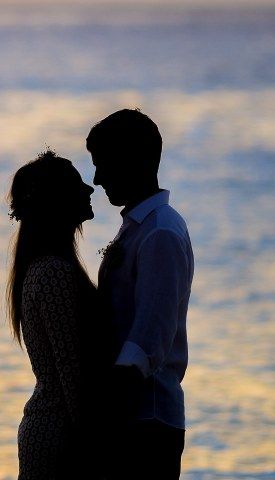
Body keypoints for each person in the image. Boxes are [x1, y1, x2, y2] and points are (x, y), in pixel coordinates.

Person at [87, 109, 194, 479]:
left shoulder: (160, 233)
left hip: (145, 420)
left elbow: (149, 339)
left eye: (104, 164)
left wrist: (103, 410)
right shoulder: (141, 227)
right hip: (135, 417)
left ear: (137, 161)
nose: (97, 179)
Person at [7, 150, 106, 479]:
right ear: (58, 201)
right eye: (78, 185)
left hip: (56, 430)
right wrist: (95, 442)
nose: (89, 190)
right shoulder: (53, 273)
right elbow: (70, 368)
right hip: (60, 437)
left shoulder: (48, 268)